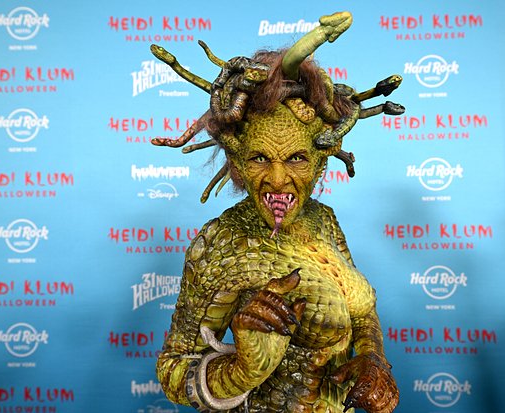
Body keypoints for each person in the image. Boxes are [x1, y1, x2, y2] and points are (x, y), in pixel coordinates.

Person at [152, 12, 402, 413]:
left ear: (320, 161)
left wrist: (373, 360)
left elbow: (362, 310)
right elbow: (174, 369)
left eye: (297, 158)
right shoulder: (220, 242)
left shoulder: (323, 220)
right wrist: (242, 370)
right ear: (238, 161)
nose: (278, 179)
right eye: (260, 158)